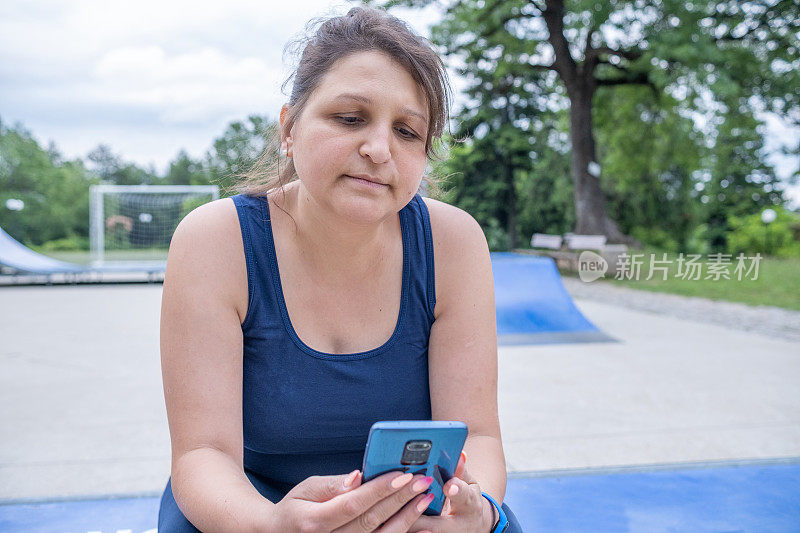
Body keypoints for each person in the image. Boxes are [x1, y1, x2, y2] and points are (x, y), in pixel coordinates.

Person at [158, 5, 523, 532]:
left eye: (406, 131)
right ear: (289, 128)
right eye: (350, 118)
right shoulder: (217, 241)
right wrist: (275, 525)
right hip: (247, 509)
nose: (379, 150)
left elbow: (480, 438)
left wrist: (472, 510)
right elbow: (202, 456)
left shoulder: (453, 243)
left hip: (412, 507)